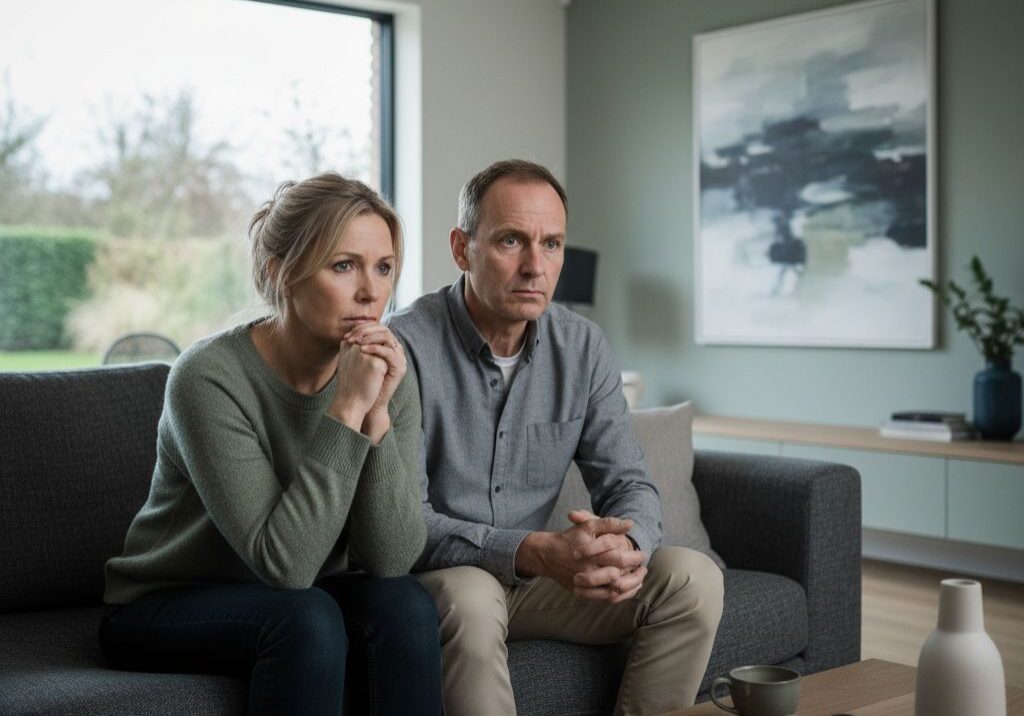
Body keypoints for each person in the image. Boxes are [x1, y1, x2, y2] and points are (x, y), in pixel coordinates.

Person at [388, 159, 725, 716]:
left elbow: (630, 482)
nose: (534, 266)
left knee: (693, 578)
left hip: (542, 583)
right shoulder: (405, 348)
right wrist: (536, 551)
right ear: (460, 247)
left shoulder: (583, 346)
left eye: (551, 244)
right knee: (470, 599)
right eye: (511, 241)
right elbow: (404, 523)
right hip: (442, 581)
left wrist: (627, 546)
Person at [99, 173, 443, 716]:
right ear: (279, 272)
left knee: (405, 604)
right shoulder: (208, 377)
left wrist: (376, 412)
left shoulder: (384, 367)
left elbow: (393, 558)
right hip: (164, 603)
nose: (372, 292)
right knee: (305, 616)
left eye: (383, 268)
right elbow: (287, 567)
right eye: (343, 266)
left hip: (297, 598)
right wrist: (347, 408)